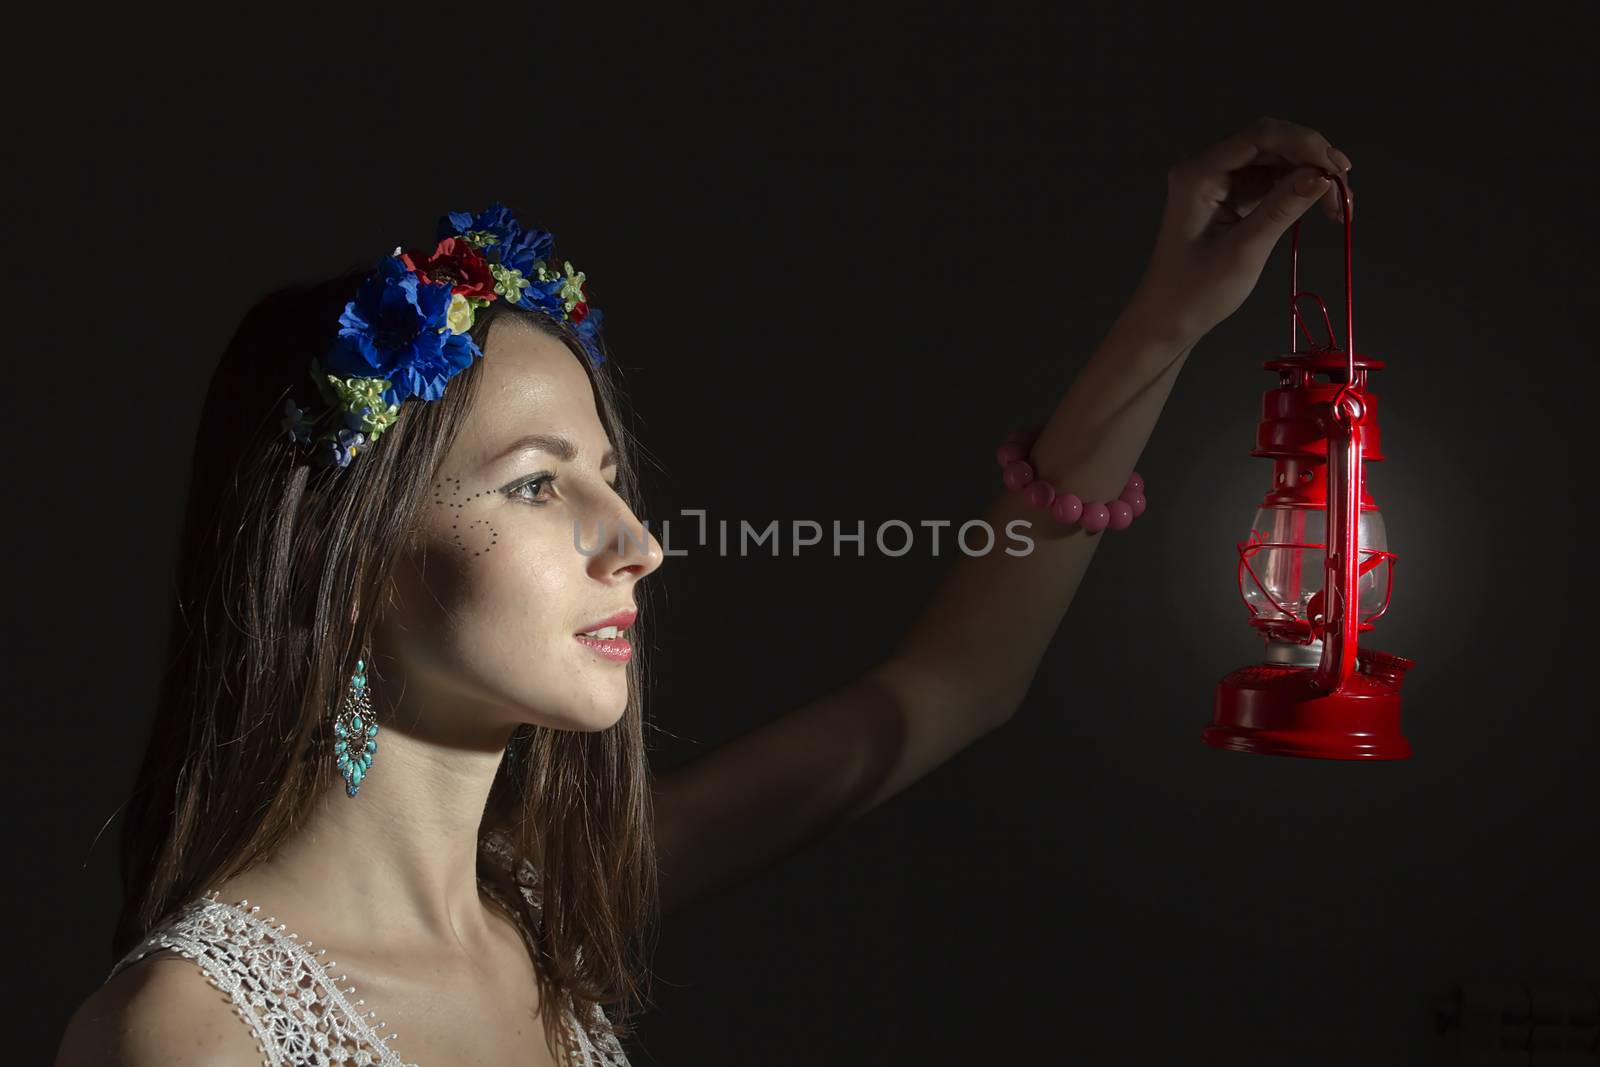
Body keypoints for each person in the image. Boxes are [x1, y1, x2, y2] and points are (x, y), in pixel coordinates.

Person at [55, 116, 1354, 1066]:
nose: (635, 542)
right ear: (348, 569)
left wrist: (1169, 321)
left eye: (608, 475)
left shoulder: (552, 909)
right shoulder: (191, 1032)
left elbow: (957, 685)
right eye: (531, 482)